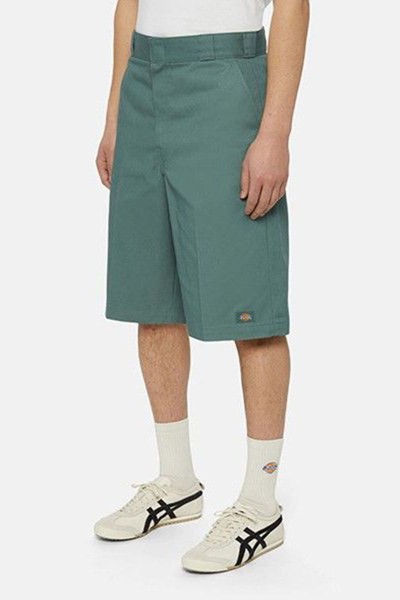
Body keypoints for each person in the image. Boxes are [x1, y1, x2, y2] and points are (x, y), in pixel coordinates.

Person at [95, 0, 309, 573]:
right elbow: (129, 4)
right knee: (152, 298)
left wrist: (275, 133)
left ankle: (261, 505)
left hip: (225, 83)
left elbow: (293, 6)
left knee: (251, 306)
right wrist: (115, 115)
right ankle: (177, 482)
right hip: (143, 81)